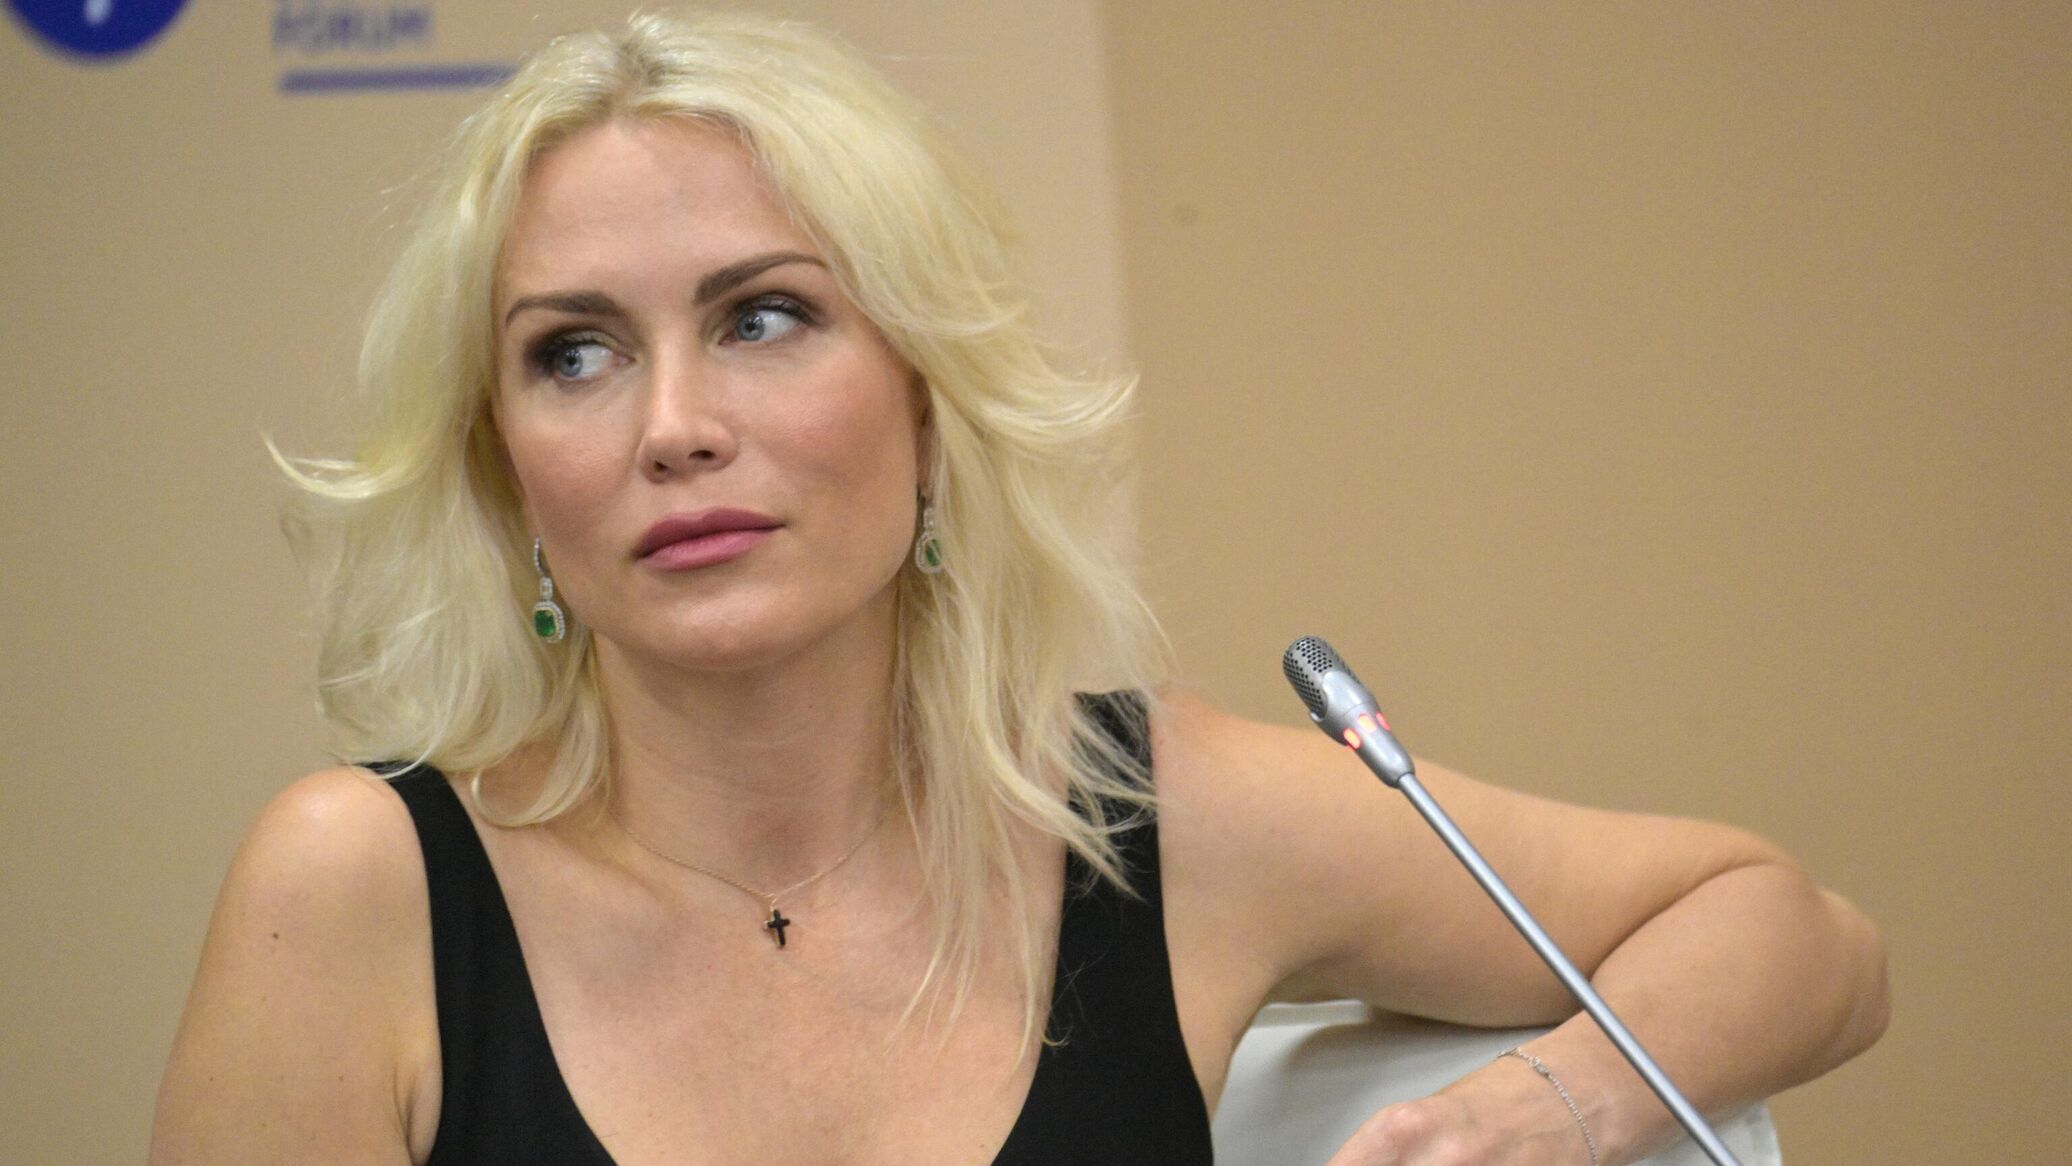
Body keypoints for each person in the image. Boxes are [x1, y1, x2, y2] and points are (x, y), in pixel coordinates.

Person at [149, 12, 1887, 1165]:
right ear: (505, 468)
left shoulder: (1154, 820)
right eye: (575, 353)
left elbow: (1799, 933)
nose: (673, 425)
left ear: (927, 401)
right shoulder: (358, 892)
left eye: (765, 316)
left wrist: (1547, 1107)